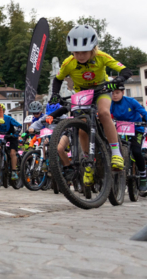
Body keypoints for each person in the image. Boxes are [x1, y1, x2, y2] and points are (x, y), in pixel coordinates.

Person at [49, 24, 132, 186]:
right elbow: (58, 79)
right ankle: (87, 161)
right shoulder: (68, 63)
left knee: (104, 113)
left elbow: (125, 70)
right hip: (82, 94)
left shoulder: (102, 56)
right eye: (76, 52)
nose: (80, 56)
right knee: (82, 126)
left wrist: (119, 80)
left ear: (93, 49)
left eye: (84, 52)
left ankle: (116, 152)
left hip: (102, 90)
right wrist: (54, 95)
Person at [111, 84, 147, 192]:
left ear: (123, 93)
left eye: (117, 93)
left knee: (136, 151)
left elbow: (144, 112)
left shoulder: (131, 101)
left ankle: (143, 176)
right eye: (112, 93)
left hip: (136, 129)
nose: (114, 95)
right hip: (119, 129)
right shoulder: (110, 103)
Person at [0, 104, 22, 181]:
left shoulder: (8, 118)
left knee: (12, 153)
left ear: (3, 111)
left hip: (11, 137)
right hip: (1, 137)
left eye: (0, 111)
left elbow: (19, 126)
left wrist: (16, 134)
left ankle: (14, 171)